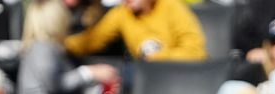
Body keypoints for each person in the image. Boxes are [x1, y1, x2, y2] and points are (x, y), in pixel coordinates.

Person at [18, 0, 122, 94]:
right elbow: (53, 85)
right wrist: (89, 72)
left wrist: (102, 92)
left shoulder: (52, 48)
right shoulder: (42, 47)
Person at [64, 0, 206, 61]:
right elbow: (91, 40)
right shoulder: (122, 13)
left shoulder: (171, 6)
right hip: (145, 77)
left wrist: (159, 57)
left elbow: (195, 51)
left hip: (179, 73)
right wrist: (57, 43)